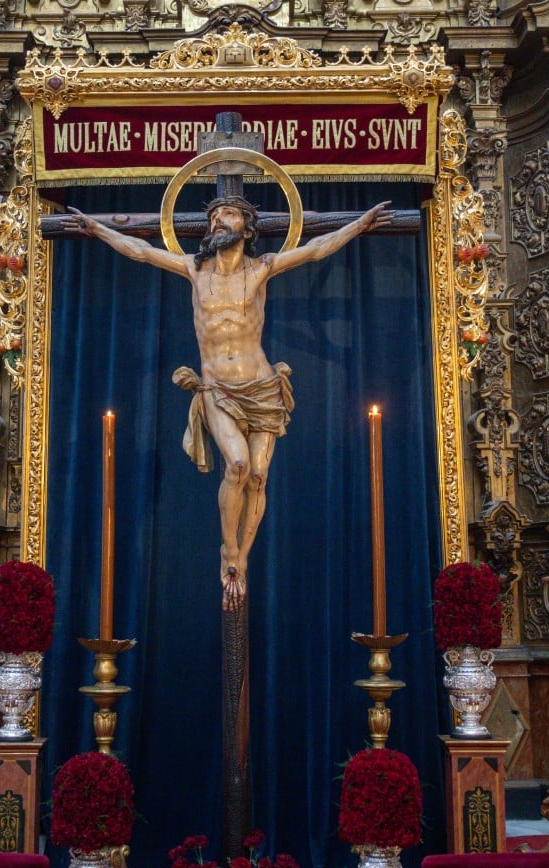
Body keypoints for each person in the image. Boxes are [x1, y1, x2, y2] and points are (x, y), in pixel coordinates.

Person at [69, 191, 390, 609]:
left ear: (247, 228)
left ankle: (244, 556)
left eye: (229, 214)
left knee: (258, 476)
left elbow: (315, 250)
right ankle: (229, 551)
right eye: (215, 215)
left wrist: (360, 224)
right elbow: (141, 252)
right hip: (217, 388)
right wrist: (98, 229)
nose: (218, 220)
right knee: (237, 465)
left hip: (262, 387)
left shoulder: (261, 268)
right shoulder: (194, 268)